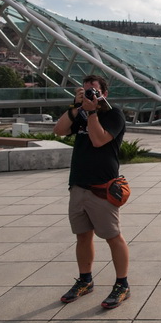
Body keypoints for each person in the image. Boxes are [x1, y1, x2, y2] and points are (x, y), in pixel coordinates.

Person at [53, 74, 130, 309]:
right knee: (82, 235)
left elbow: (98, 140)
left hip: (102, 188)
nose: (89, 94)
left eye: (93, 91)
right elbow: (58, 130)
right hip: (78, 185)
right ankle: (85, 280)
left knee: (112, 236)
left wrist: (93, 111)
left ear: (104, 94)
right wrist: (77, 109)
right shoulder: (81, 114)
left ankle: (122, 285)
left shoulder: (113, 114)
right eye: (85, 90)